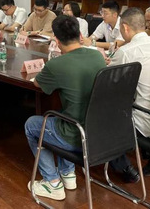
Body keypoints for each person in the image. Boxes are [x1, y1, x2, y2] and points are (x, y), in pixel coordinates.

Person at [25, 15, 106, 201]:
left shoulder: (56, 64)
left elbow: (37, 84)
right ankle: (68, 174)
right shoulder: (97, 55)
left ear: (56, 39)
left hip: (74, 134)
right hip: (97, 131)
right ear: (80, 35)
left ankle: (52, 183)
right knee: (62, 114)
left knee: (32, 124)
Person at [108, 8, 150, 177]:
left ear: (125, 27)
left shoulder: (126, 52)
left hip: (144, 119)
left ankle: (124, 168)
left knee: (104, 110)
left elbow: (108, 83)